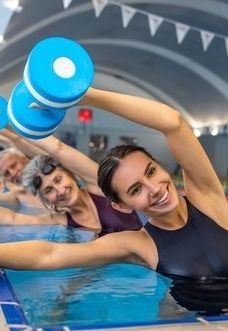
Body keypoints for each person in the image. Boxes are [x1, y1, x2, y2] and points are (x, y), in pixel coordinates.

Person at [0, 87, 227, 279]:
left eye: (151, 171)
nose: (155, 188)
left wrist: (80, 94)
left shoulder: (207, 198)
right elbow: (49, 254)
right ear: (121, 205)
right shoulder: (138, 244)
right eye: (136, 189)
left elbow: (173, 123)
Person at [0, 130, 143, 233]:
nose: (60, 191)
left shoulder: (99, 186)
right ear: (45, 199)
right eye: (49, 190)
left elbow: (58, 149)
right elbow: (13, 219)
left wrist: (11, 130)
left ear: (70, 174)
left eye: (58, 179)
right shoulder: (60, 221)